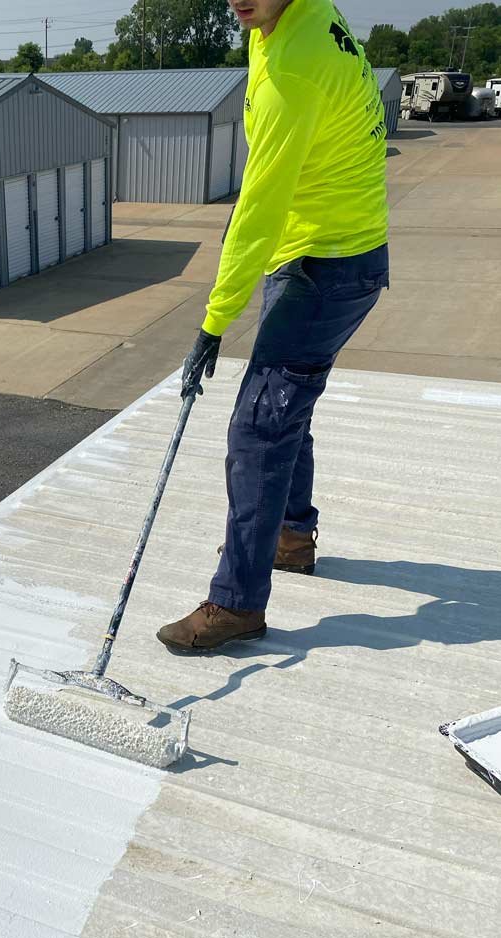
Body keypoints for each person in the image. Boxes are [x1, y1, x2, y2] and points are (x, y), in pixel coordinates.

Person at [157, 0, 389, 653]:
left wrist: (214, 322)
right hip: (319, 252)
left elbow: (258, 206)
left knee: (258, 427)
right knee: (286, 407)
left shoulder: (294, 65)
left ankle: (237, 603)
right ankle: (289, 537)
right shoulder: (284, 20)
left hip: (328, 264)